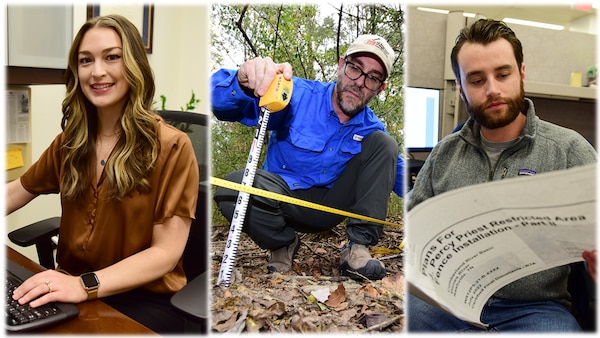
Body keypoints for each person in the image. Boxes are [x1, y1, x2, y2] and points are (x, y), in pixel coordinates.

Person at [5, 15, 199, 333]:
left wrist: (86, 285)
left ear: (134, 64)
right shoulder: (71, 142)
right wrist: (77, 286)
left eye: (112, 57)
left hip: (143, 300)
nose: (97, 71)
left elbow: (166, 252)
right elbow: (15, 192)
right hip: (72, 287)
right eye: (86, 60)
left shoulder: (173, 147)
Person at [406, 19, 597, 332]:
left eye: (503, 74)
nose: (492, 89)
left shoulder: (569, 150)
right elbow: (413, 226)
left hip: (534, 310)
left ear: (521, 74)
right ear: (462, 88)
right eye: (477, 80)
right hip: (445, 304)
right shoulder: (444, 154)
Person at [211, 34, 398, 281]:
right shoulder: (295, 93)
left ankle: (357, 249)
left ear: (380, 88)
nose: (360, 82)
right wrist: (243, 82)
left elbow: (403, 176)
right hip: (279, 197)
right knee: (231, 189)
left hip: (329, 206)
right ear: (341, 65)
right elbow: (220, 105)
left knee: (385, 144)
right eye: (355, 68)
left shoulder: (371, 127)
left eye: (373, 78)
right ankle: (283, 244)